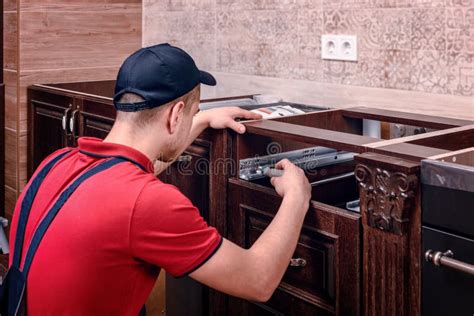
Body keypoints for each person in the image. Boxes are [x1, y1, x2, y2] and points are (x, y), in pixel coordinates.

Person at [8, 43, 311, 315]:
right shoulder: (148, 203)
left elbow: (126, 192)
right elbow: (256, 280)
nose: (193, 118)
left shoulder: (57, 162)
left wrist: (203, 119)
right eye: (192, 113)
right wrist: (297, 197)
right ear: (175, 115)